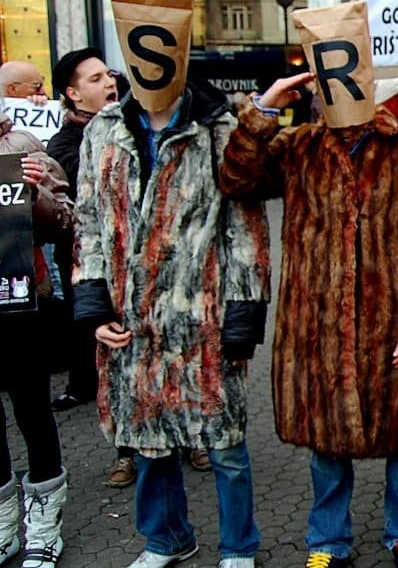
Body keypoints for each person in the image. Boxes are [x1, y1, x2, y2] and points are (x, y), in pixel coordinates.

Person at [220, 71, 398, 568]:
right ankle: (328, 540)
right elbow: (236, 180)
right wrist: (265, 105)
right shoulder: (298, 146)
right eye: (324, 86)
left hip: (389, 320)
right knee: (324, 440)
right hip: (314, 324)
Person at [74, 69, 270, 567]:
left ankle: (238, 547)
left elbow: (245, 226)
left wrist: (244, 313)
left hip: (203, 312)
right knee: (148, 439)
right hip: (130, 318)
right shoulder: (104, 130)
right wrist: (93, 303)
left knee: (224, 442)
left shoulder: (215, 129)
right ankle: (166, 538)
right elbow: (89, 219)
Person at [45, 50, 142, 490]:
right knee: (118, 367)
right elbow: (78, 209)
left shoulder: (132, 124)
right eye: (96, 77)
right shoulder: (67, 142)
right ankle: (126, 450)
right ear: (72, 92)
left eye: (110, 75)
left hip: (147, 271)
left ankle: (188, 441)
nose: (109, 83)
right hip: (104, 274)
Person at [0, 98, 71, 568]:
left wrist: (36, 193)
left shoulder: (19, 145)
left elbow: (65, 218)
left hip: (19, 306)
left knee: (32, 411)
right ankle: (5, 525)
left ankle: (44, 528)